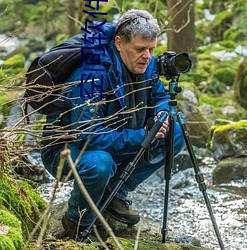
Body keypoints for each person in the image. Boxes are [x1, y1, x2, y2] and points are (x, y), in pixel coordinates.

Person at [41, 9, 185, 241]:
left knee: (175, 132)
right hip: (67, 150)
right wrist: (142, 135)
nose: (147, 56)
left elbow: (159, 96)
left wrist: (161, 114)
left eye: (152, 49)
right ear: (119, 43)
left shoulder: (146, 64)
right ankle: (76, 221)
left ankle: (115, 193)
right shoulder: (89, 75)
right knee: (100, 164)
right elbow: (87, 136)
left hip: (117, 136)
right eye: (140, 49)